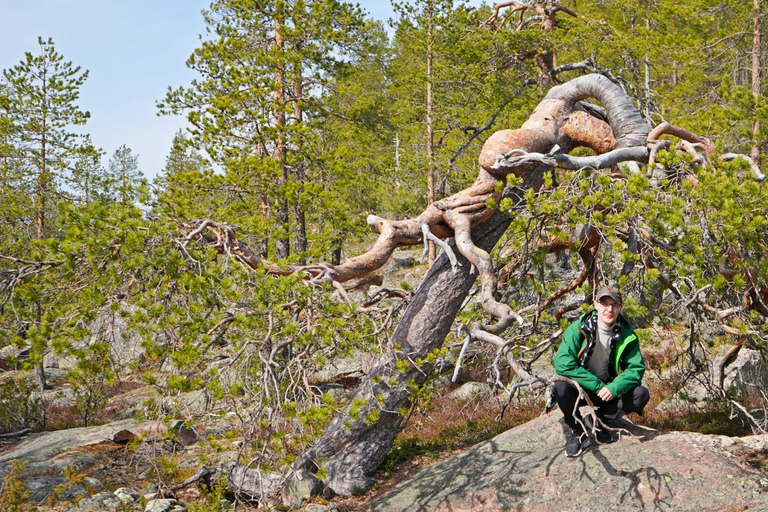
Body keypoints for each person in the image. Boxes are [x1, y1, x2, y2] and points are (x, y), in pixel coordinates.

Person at [553, 283, 649, 457]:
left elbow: (635, 369)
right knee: (560, 387)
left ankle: (599, 420)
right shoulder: (578, 328)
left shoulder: (627, 334)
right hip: (581, 388)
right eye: (605, 303)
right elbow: (562, 364)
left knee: (640, 394)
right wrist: (597, 386)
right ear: (596, 304)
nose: (609, 309)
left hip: (606, 390)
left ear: (620, 308)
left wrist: (613, 387)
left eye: (614, 305)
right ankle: (577, 429)